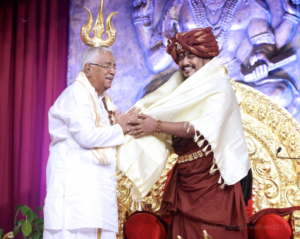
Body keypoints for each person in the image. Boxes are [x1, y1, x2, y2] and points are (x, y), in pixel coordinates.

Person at [123, 28, 252, 238]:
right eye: (181, 57)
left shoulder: (220, 87)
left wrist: (156, 126)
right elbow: (153, 108)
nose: (184, 63)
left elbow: (199, 127)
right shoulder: (181, 92)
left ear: (206, 57)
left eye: (191, 55)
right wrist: (125, 124)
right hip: (186, 180)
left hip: (214, 182)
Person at [43, 47, 138, 239]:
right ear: (88, 69)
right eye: (106, 66)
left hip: (96, 197)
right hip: (75, 198)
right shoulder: (76, 94)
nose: (112, 71)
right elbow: (87, 136)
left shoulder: (104, 103)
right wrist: (120, 129)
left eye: (114, 67)